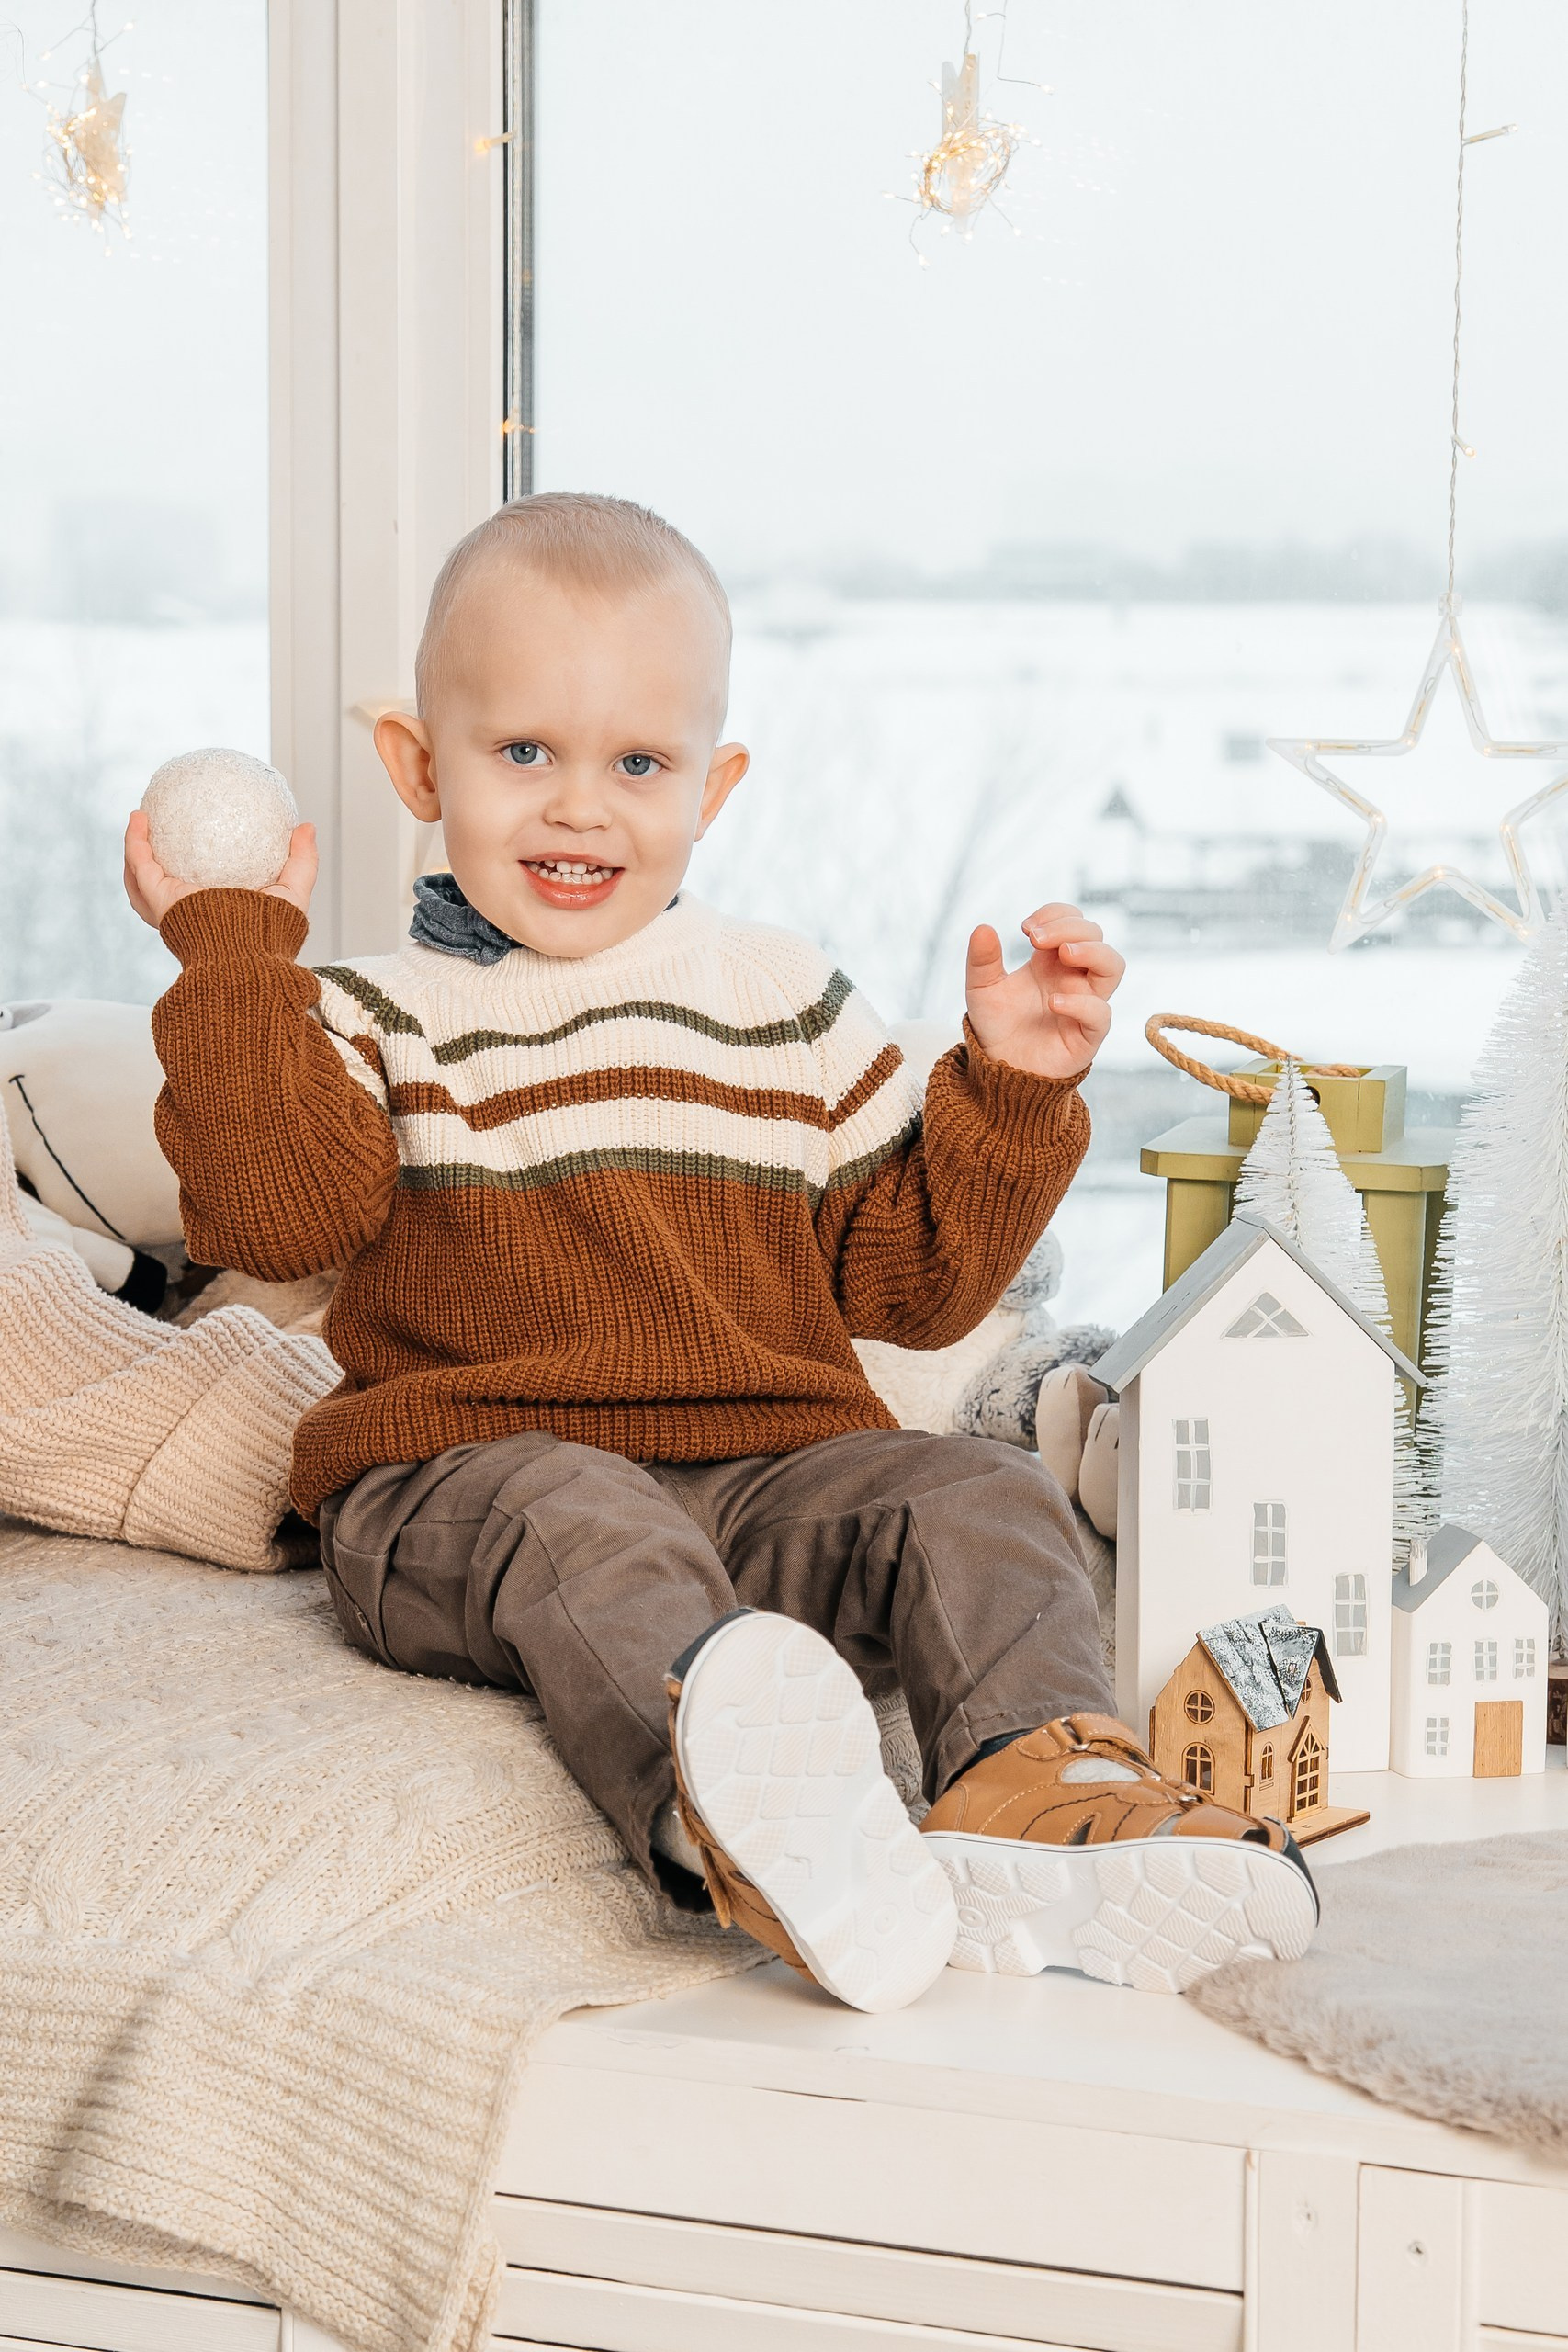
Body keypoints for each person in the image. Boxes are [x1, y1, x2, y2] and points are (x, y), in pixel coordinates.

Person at [124, 492, 1317, 2013]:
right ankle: (732, 1822)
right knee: (584, 1520)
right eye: (522, 755)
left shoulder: (786, 1000)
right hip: (467, 1479)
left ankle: (1038, 1794)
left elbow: (912, 1285)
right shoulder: (364, 1013)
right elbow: (275, 1218)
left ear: (715, 784)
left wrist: (1011, 1091)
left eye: (638, 763)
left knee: (978, 1490)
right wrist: (235, 961)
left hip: (761, 1483)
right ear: (419, 768)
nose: (580, 807)